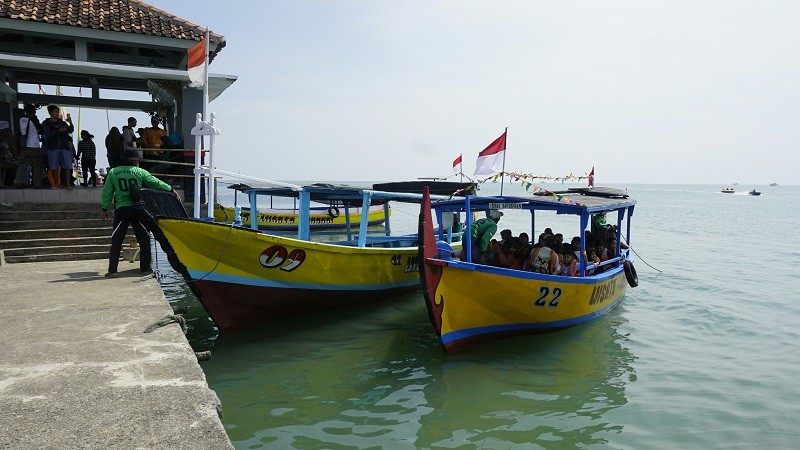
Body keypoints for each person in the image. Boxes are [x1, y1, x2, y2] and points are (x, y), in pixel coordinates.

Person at [100, 157, 181, 277]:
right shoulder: (139, 171)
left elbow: (107, 192)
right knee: (144, 239)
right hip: (138, 209)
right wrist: (170, 189)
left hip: (122, 210)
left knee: (117, 240)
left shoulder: (113, 172)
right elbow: (154, 182)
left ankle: (112, 270)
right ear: (133, 162)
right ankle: (145, 269)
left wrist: (104, 209)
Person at [41, 105, 75, 189]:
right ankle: (57, 184)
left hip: (64, 146)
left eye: (57, 112)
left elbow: (70, 130)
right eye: (55, 112)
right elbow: (47, 134)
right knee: (54, 167)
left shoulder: (61, 122)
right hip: (53, 147)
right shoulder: (46, 123)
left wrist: (70, 122)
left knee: (67, 166)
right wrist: (58, 131)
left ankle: (68, 184)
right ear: (50, 113)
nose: (57, 113)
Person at [13, 103, 45, 189]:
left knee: (22, 164)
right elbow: (41, 130)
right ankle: (37, 183)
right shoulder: (33, 119)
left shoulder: (21, 119)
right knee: (37, 165)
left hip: (24, 145)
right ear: (33, 111)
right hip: (33, 145)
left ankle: (18, 181)